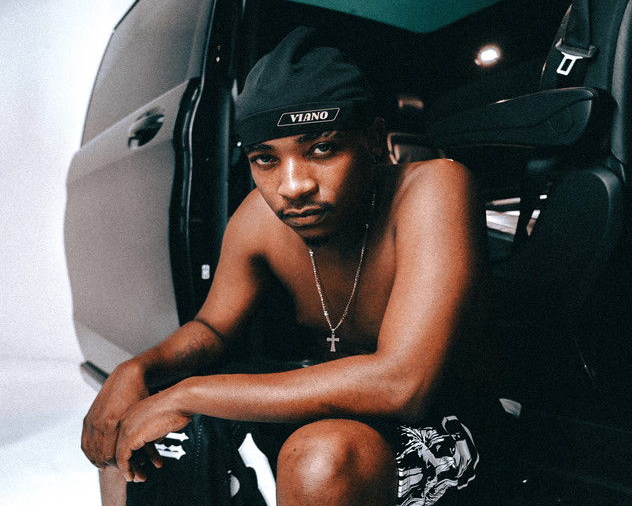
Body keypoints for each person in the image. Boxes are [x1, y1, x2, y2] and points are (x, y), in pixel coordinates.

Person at [82, 27, 490, 506]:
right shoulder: (257, 217)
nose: (293, 186)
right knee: (134, 435)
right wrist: (137, 370)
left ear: (373, 141)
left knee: (318, 460)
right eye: (265, 159)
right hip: (326, 399)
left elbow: (403, 385)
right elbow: (213, 328)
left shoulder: (433, 188)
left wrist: (185, 394)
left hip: (449, 416)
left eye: (322, 148)